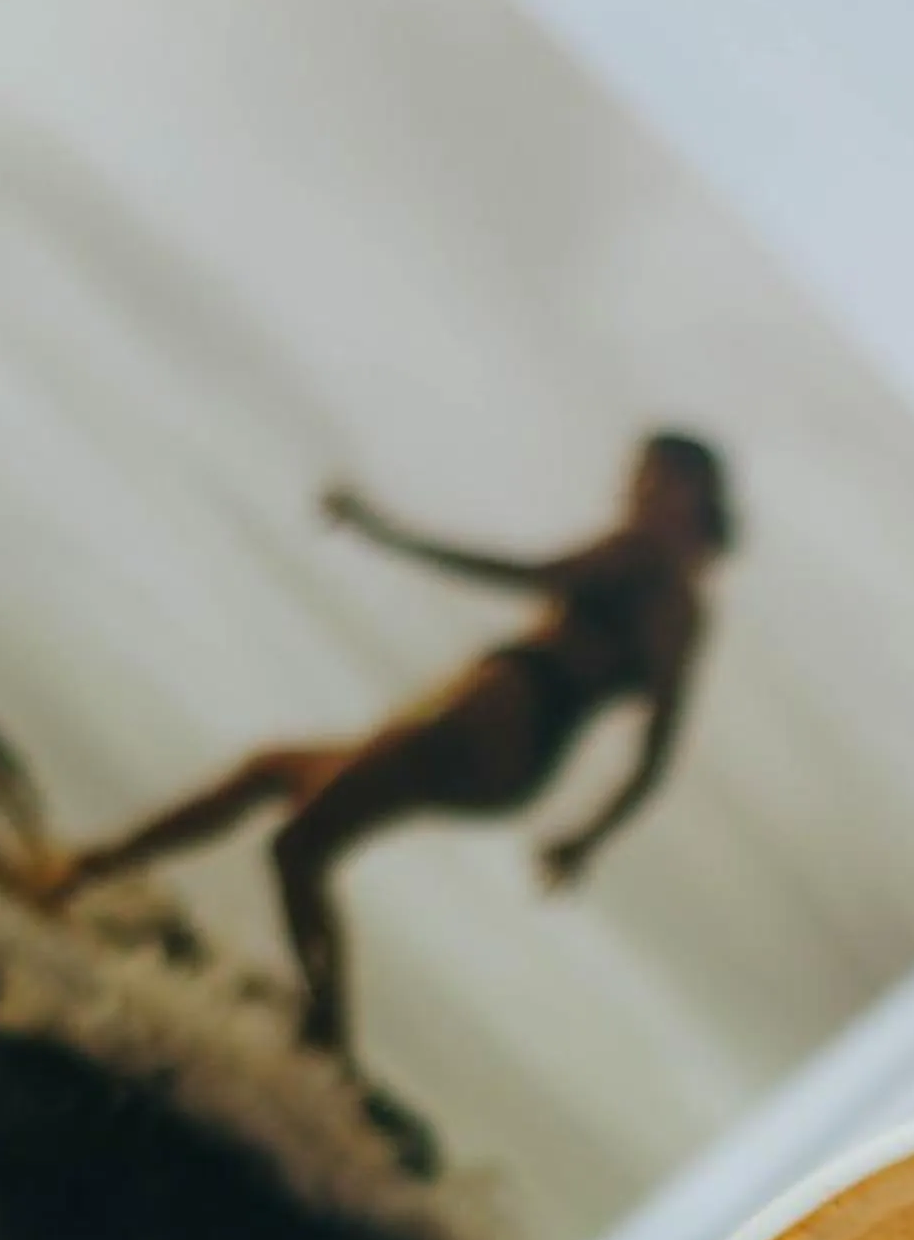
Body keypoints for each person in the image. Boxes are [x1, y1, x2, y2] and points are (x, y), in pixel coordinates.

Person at [53, 431, 735, 1054]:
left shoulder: (650, 565)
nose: (634, 493)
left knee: (298, 844)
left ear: (691, 497)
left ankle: (325, 1039)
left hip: (483, 730)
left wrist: (384, 533)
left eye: (653, 481)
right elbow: (656, 755)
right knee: (273, 775)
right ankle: (95, 868)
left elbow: (525, 576)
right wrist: (587, 837)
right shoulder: (682, 609)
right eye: (638, 479)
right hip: (502, 752)